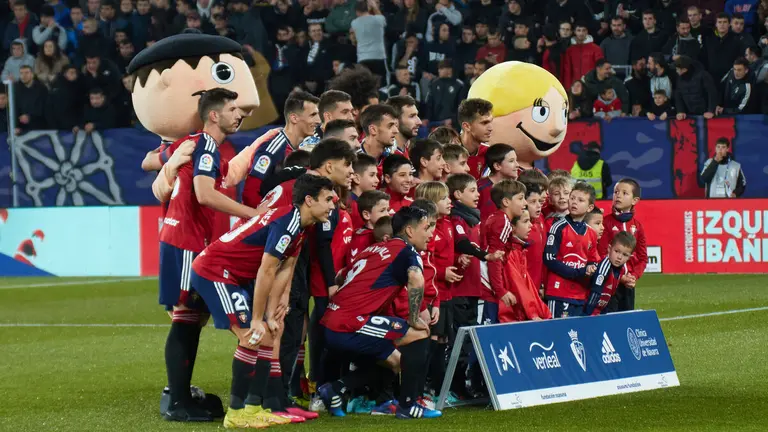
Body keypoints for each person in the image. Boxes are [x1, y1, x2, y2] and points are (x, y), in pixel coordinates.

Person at [189, 174, 336, 428]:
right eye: (328, 199)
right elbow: (266, 270)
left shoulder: (301, 225)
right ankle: (235, 414)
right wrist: (257, 319)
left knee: (266, 335)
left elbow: (285, 269)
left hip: (234, 275)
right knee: (251, 335)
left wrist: (270, 316)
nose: (333, 205)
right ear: (310, 200)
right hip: (216, 270)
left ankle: (254, 409)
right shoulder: (288, 223)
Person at [154, 88, 261, 422]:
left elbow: (150, 160)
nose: (238, 114)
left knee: (191, 318)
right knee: (186, 318)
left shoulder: (195, 143)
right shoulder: (205, 146)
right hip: (186, 239)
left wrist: (168, 162)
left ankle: (180, 396)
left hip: (179, 235)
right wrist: (250, 213)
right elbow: (203, 193)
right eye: (232, 108)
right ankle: (176, 402)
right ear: (214, 114)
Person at [319, 206, 442, 420]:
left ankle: (335, 388)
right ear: (410, 231)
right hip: (350, 322)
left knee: (395, 361)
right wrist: (413, 319)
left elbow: (340, 276)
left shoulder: (373, 250)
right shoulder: (407, 252)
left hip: (332, 319)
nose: (431, 233)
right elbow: (415, 279)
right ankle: (408, 405)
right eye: (427, 227)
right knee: (420, 333)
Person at [231, 90, 321, 207]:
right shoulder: (274, 148)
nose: (318, 121)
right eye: (313, 115)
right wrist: (270, 217)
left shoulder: (304, 148)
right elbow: (250, 193)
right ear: (294, 118)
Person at [412, 181, 456, 402]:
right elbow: (422, 270)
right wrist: (441, 274)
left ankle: (437, 390)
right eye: (444, 198)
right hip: (422, 299)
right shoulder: (421, 237)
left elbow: (429, 266)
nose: (450, 202)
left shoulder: (446, 225)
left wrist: (436, 301)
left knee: (439, 342)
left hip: (439, 295)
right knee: (424, 344)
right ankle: (422, 391)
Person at [543, 181, 600, 318]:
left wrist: (591, 268)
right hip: (558, 293)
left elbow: (593, 260)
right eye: (572, 198)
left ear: (590, 207)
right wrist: (578, 272)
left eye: (580, 200)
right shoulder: (558, 227)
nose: (574, 202)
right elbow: (549, 259)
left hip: (580, 294)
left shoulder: (591, 233)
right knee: (557, 334)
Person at [480, 180, 527, 325]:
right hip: (486, 284)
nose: (525, 203)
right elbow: (495, 258)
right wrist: (500, 290)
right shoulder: (503, 223)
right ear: (506, 202)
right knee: (482, 334)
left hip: (485, 283)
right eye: (520, 198)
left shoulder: (496, 218)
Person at [598, 178, 648, 312]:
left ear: (634, 200)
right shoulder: (605, 222)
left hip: (628, 285)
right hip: (608, 283)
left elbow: (643, 258)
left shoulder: (637, 227)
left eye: (624, 193)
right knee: (610, 322)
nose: (618, 195)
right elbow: (602, 254)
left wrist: (633, 276)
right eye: (615, 192)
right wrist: (620, 277)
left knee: (627, 322)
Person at [497, 209, 552, 323]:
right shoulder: (509, 252)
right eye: (526, 221)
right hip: (509, 317)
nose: (531, 225)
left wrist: (544, 312)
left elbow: (528, 286)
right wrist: (533, 314)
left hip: (518, 315)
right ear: (512, 227)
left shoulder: (519, 250)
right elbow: (517, 285)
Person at [585, 231, 636, 316]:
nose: (619, 257)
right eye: (617, 251)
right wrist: (588, 314)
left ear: (629, 257)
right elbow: (595, 292)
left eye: (625, 254)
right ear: (609, 249)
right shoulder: (604, 267)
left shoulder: (621, 269)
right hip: (590, 311)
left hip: (601, 311)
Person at [346, 190, 390, 266]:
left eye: (387, 210)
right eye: (382, 210)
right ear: (366, 215)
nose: (387, 214)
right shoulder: (362, 239)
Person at [477, 144, 519, 221]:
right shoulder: (480, 188)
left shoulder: (517, 187)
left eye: (516, 160)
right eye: (511, 161)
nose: (517, 165)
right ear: (497, 166)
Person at [351, 0, 387, 81]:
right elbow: (384, 21)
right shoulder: (378, 19)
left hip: (363, 58)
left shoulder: (354, 23)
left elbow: (354, 40)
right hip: (378, 56)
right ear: (368, 8)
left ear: (357, 12)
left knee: (365, 85)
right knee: (380, 84)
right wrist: (375, 7)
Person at [520, 179, 546, 292]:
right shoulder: (517, 226)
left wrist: (542, 284)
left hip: (537, 286)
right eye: (532, 202)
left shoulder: (541, 219)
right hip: (523, 286)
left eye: (540, 201)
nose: (538, 206)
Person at [457, 98, 493, 180]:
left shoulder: (488, 153)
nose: (491, 128)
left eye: (491, 122)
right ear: (467, 126)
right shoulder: (446, 153)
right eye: (484, 123)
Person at [673, 55, 718, 119]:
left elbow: (712, 93)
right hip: (689, 114)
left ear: (684, 69)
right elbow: (678, 94)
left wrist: (711, 110)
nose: (676, 71)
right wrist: (680, 111)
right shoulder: (680, 78)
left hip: (705, 114)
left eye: (677, 69)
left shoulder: (703, 75)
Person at [562, 22, 603, 88]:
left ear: (587, 31)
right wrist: (567, 87)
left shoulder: (596, 49)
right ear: (574, 32)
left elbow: (600, 68)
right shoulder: (570, 50)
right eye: (579, 30)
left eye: (584, 30)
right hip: (574, 86)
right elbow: (567, 70)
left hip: (591, 85)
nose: (581, 33)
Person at [358, 104, 399, 170]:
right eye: (390, 126)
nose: (396, 131)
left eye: (395, 126)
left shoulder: (395, 157)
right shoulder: (353, 161)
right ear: (373, 130)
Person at [349, 154, 380, 229]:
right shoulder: (349, 206)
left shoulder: (362, 203)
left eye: (377, 175)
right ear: (356, 178)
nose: (377, 180)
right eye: (372, 175)